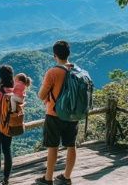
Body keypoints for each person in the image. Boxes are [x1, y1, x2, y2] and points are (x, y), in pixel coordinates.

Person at [36, 41, 77, 185]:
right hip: (72, 115)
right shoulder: (76, 70)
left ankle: (48, 178)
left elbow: (41, 95)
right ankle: (66, 176)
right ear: (68, 54)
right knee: (71, 145)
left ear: (55, 55)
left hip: (54, 114)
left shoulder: (53, 72)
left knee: (53, 146)